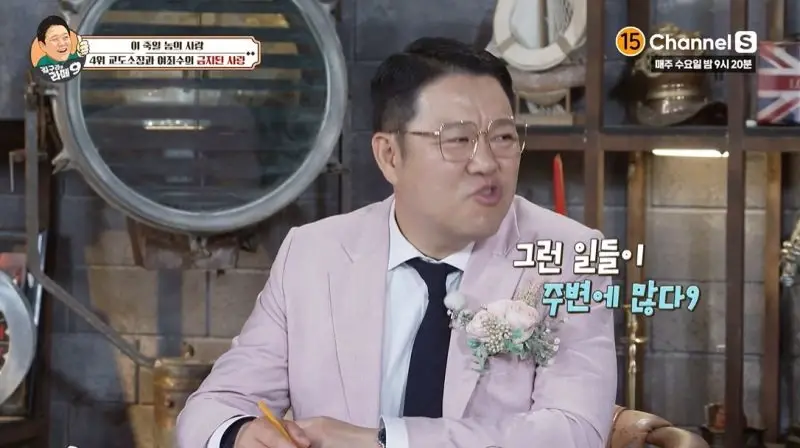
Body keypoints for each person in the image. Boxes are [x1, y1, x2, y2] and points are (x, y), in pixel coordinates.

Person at [176, 37, 616, 448]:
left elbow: (574, 431)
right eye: (458, 140)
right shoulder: (313, 255)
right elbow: (214, 406)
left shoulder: (570, 257)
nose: (486, 162)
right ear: (389, 155)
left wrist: (384, 441)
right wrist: (240, 436)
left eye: (503, 137)